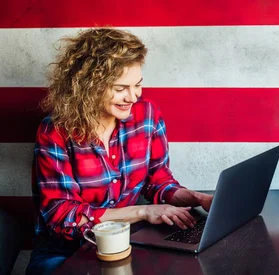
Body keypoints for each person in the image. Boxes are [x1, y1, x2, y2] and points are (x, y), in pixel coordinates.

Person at [26, 28, 213, 275]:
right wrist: (142, 211)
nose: (133, 97)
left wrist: (194, 197)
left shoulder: (147, 116)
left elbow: (156, 179)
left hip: (125, 245)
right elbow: (62, 215)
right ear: (88, 87)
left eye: (138, 85)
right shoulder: (55, 131)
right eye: (120, 88)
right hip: (64, 250)